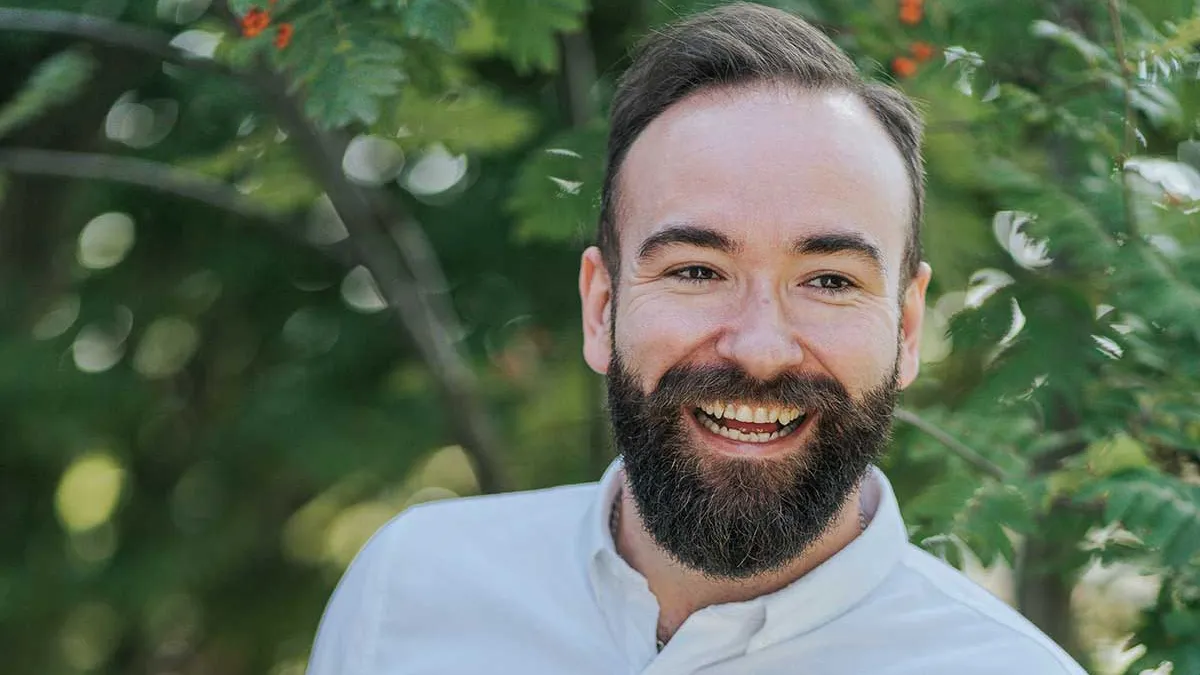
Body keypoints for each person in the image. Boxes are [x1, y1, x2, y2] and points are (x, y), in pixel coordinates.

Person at [305, 4, 1088, 674]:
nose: (759, 347)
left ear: (908, 326)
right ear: (600, 305)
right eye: (695, 270)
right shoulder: (406, 591)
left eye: (829, 281)